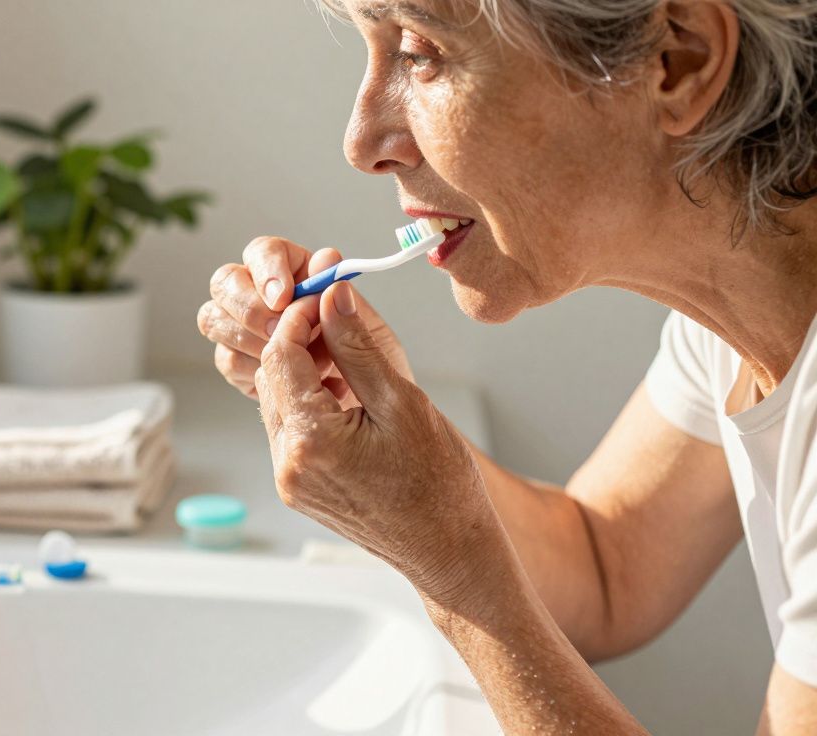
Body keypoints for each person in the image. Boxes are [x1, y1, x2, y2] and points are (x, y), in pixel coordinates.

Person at [196, 1, 817, 732]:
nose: (363, 141)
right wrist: (386, 437)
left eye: (421, 52)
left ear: (677, 61)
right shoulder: (736, 315)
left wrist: (453, 569)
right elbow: (605, 563)